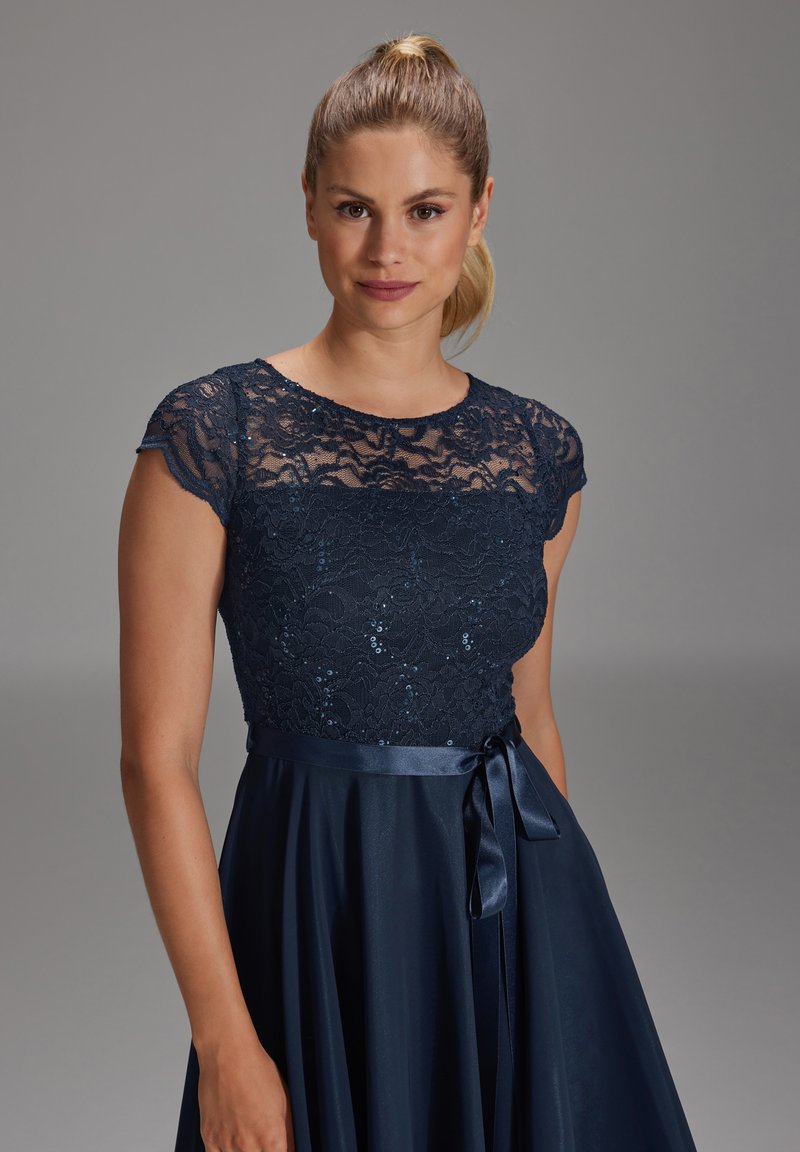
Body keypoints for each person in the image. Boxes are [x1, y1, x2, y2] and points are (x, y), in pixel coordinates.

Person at [118, 32, 699, 1152]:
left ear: (479, 211)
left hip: (511, 914)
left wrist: (551, 974)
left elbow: (530, 719)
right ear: (307, 204)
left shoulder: (536, 453)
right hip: (314, 906)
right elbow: (154, 761)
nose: (387, 249)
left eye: (425, 210)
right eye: (354, 209)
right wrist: (225, 1043)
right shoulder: (214, 434)